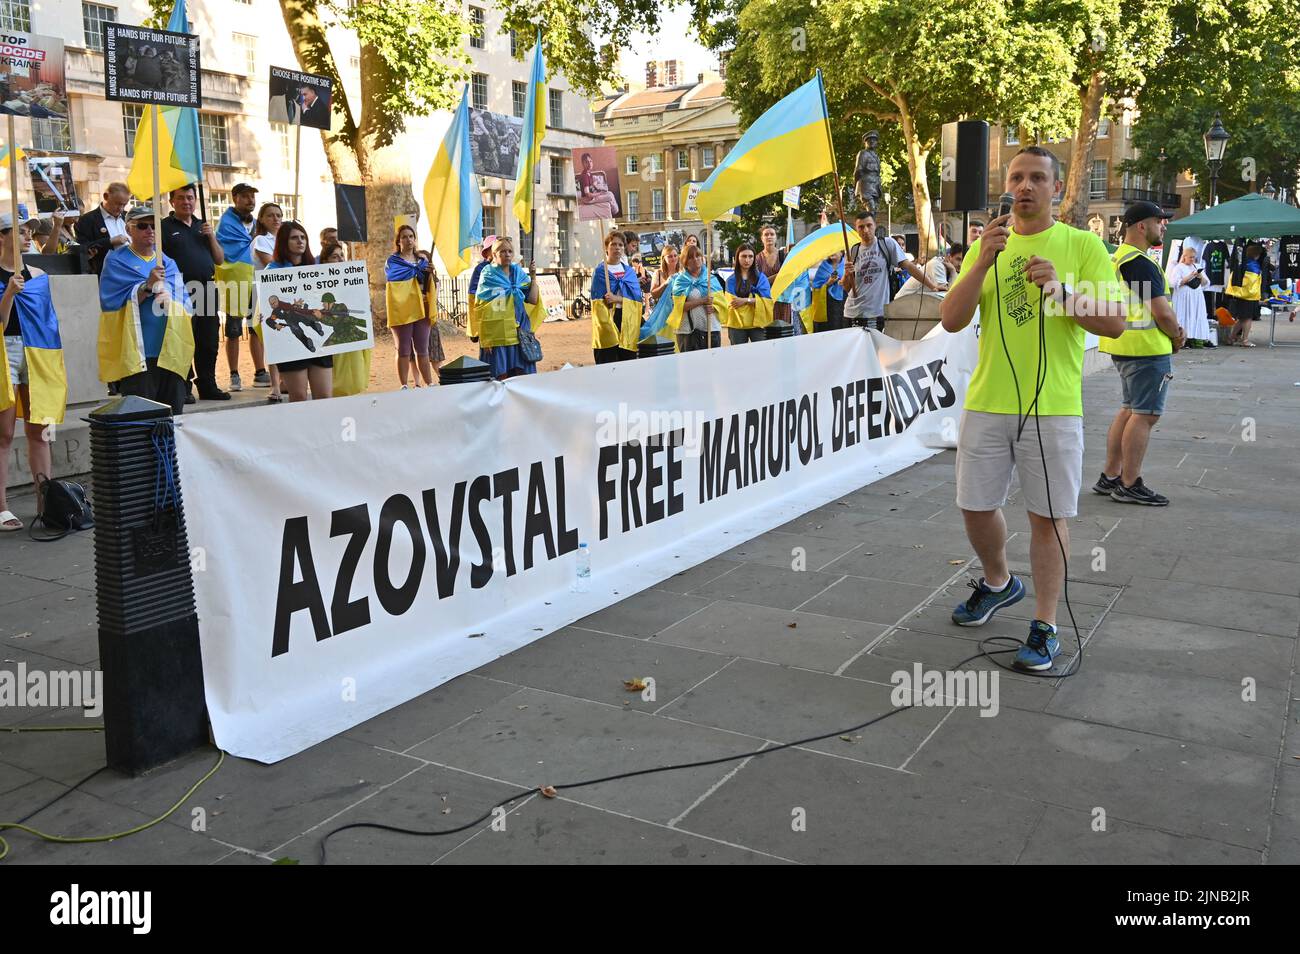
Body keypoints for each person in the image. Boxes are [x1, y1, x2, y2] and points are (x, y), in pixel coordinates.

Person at [939, 145, 1127, 671]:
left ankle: (1045, 624)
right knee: (974, 506)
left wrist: (1062, 291)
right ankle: (999, 582)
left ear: (1055, 188)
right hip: (988, 400)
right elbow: (952, 320)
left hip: (1053, 406)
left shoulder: (1081, 244)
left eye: (1036, 178)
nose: (1024, 186)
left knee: (1048, 516)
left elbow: (1114, 323)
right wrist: (980, 262)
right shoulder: (988, 246)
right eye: (1017, 177)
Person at [1095, 201, 1184, 507]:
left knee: (1130, 409)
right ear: (1142, 226)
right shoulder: (1141, 263)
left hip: (1124, 346)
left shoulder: (1118, 258)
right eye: (1160, 221)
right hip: (1147, 349)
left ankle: (1111, 475)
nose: (1164, 226)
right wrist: (1177, 335)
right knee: (1145, 415)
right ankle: (1129, 483)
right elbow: (1161, 311)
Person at [97, 208, 195, 414]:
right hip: (138, 355)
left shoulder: (167, 262)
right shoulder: (116, 260)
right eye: (143, 226)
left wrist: (171, 300)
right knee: (141, 417)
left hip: (170, 353)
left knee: (172, 416)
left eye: (154, 226)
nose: (150, 230)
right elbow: (111, 303)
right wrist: (147, 286)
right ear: (128, 229)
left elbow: (186, 303)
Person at [0, 210, 62, 531]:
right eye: (20, 231)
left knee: (39, 431)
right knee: (4, 432)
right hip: (4, 351)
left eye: (28, 231)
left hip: (36, 351)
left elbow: (47, 320)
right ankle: (2, 507)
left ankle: (45, 500)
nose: (27, 236)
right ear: (1, 236)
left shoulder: (37, 273)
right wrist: (9, 292)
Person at [163, 183, 230, 403]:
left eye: (190, 197)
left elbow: (219, 259)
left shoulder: (204, 226)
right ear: (172, 201)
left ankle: (208, 385)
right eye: (181, 197)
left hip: (207, 288)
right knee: (182, 339)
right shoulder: (164, 227)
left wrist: (210, 236)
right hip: (179, 291)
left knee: (208, 340)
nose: (187, 202)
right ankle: (183, 386)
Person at [266, 222, 331, 402]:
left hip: (320, 344)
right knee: (299, 397)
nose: (300, 241)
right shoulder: (271, 271)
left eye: (303, 237)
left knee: (325, 396)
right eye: (294, 238)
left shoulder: (317, 268)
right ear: (283, 242)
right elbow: (264, 307)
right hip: (289, 344)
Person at [214, 183, 269, 394]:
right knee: (233, 328)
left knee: (256, 327)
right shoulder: (225, 224)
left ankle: (260, 371)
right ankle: (234, 374)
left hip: (256, 280)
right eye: (245, 196)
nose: (250, 201)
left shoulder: (257, 224)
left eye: (253, 197)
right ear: (235, 198)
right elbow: (225, 251)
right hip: (235, 280)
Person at [843, 211, 935, 330]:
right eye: (861, 227)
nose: (865, 230)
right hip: (851, 313)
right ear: (856, 229)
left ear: (875, 225)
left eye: (869, 225)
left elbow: (909, 267)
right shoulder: (853, 251)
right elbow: (846, 287)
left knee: (876, 348)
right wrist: (846, 274)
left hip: (876, 314)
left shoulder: (887, 244)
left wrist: (932, 286)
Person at [477, 236, 539, 378]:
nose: (507, 254)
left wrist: (533, 276)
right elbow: (481, 308)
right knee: (500, 378)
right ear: (494, 255)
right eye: (503, 251)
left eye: (510, 251)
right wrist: (486, 338)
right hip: (498, 334)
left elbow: (533, 299)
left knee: (522, 377)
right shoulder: (488, 275)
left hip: (520, 332)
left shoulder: (518, 273)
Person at [645, 242, 721, 352]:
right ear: (685, 261)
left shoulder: (711, 278)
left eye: (698, 255)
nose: (695, 259)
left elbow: (721, 302)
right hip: (687, 332)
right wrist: (702, 301)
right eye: (691, 257)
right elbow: (679, 306)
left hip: (711, 329)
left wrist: (714, 307)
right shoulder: (680, 280)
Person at [385, 224, 436, 389]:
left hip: (422, 307)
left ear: (415, 239)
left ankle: (429, 382)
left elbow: (428, 283)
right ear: (398, 241)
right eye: (404, 237)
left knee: (423, 348)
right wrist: (415, 271)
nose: (408, 240)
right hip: (402, 308)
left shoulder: (422, 261)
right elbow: (393, 279)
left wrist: (430, 272)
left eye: (411, 236)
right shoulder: (393, 261)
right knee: (403, 348)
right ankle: (404, 384)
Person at [590, 231, 643, 363]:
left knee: (627, 359)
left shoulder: (629, 272)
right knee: (608, 358)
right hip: (607, 318)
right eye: (613, 244)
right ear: (606, 247)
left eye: (620, 245)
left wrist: (617, 299)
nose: (617, 248)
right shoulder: (601, 272)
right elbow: (596, 303)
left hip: (627, 318)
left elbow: (637, 301)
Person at [252, 202, 286, 399]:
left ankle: (285, 380)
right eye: (271, 215)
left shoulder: (286, 239)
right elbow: (270, 264)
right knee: (272, 337)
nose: (276, 219)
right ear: (262, 220)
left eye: (279, 215)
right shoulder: (261, 240)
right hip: (267, 293)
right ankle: (275, 385)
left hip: (286, 293)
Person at [74, 182, 131, 275]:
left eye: (124, 205)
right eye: (117, 204)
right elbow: (82, 249)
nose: (121, 209)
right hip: (105, 274)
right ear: (105, 196)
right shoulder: (86, 220)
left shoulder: (128, 217)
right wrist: (109, 242)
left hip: (131, 272)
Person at [723, 243, 772, 344]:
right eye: (744, 256)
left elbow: (767, 302)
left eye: (750, 256)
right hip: (737, 324)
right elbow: (734, 303)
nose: (747, 260)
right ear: (737, 257)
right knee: (738, 356)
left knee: (760, 354)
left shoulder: (761, 278)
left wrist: (745, 300)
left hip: (758, 324)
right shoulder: (731, 280)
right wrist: (755, 300)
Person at [1168, 243, 1212, 348]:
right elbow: (1174, 283)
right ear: (1185, 256)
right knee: (1184, 315)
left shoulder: (1197, 266)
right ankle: (1183, 339)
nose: (1192, 259)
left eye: (1194, 257)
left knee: (1196, 315)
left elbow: (1206, 283)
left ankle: (1195, 337)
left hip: (1196, 296)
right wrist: (1190, 276)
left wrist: (1200, 276)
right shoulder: (1178, 268)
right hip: (1183, 297)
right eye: (1190, 257)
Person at [1226, 241, 1268, 347]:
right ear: (1257, 255)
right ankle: (1245, 340)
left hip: (1238, 294)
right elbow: (1253, 283)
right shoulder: (1254, 266)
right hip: (1249, 296)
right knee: (1248, 318)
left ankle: (1231, 338)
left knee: (1241, 318)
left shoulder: (1242, 263)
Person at [897, 243, 965, 299]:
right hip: (903, 303)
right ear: (949, 257)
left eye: (963, 261)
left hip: (919, 304)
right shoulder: (937, 265)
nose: (960, 264)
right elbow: (949, 296)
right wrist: (953, 271)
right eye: (958, 259)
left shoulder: (953, 269)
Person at [755, 225, 791, 328]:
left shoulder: (784, 255)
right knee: (768, 332)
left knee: (784, 331)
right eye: (766, 234)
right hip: (767, 301)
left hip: (783, 300)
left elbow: (790, 276)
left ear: (776, 237)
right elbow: (758, 283)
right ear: (762, 238)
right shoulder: (757, 259)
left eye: (772, 234)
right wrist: (779, 275)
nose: (769, 237)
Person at [466, 235, 496, 342]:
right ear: (487, 252)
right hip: (485, 312)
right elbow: (473, 294)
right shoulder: (481, 268)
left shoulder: (507, 268)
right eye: (494, 248)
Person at [575, 152, 619, 218]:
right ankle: (615, 213)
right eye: (586, 162)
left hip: (591, 196)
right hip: (588, 199)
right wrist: (600, 193)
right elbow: (588, 194)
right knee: (610, 196)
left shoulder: (588, 173)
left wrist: (596, 185)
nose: (589, 164)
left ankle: (614, 212)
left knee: (609, 192)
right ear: (583, 164)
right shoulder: (584, 176)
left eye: (590, 161)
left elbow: (590, 186)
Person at [811, 252, 846, 331]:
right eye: (831, 250)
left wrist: (844, 281)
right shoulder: (823, 266)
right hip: (827, 304)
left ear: (841, 252)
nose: (832, 252)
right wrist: (828, 283)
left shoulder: (846, 265)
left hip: (843, 302)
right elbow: (816, 287)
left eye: (835, 250)